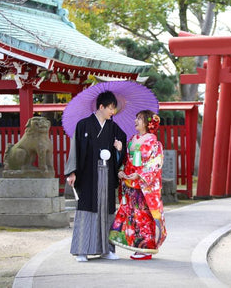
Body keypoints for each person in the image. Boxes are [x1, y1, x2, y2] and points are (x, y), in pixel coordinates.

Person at [65, 91, 126, 262]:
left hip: (107, 173)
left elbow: (122, 143)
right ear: (101, 106)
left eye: (114, 109)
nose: (113, 112)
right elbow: (75, 148)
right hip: (88, 174)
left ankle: (107, 249)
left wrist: (119, 148)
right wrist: (72, 172)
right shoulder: (83, 125)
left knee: (107, 211)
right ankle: (82, 250)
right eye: (111, 108)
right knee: (86, 210)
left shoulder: (113, 127)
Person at [109, 110, 167, 260]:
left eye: (140, 119)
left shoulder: (154, 142)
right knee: (134, 216)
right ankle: (138, 246)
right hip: (130, 183)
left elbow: (155, 163)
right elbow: (127, 161)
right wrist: (121, 170)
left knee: (145, 216)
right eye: (136, 118)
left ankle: (147, 248)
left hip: (144, 185)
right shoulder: (132, 139)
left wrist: (140, 175)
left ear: (148, 123)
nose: (136, 121)